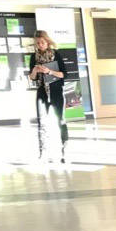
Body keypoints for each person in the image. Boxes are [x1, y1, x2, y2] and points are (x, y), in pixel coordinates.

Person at [28, 30, 69, 161]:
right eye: (38, 43)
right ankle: (42, 151)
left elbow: (64, 74)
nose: (40, 45)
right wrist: (35, 70)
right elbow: (32, 78)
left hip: (56, 90)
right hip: (42, 92)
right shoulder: (33, 57)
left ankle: (64, 148)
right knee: (42, 122)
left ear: (47, 42)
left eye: (42, 42)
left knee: (60, 119)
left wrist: (49, 71)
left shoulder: (56, 54)